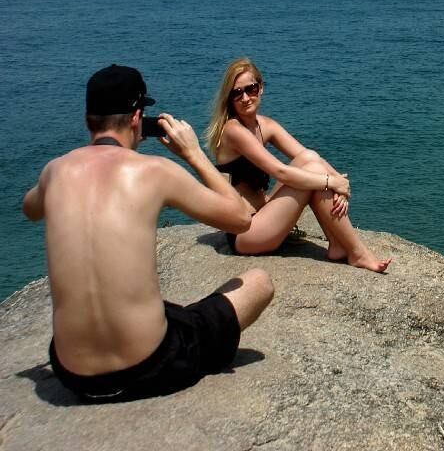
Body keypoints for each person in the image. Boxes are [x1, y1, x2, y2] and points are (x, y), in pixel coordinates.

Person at [22, 64, 274, 403]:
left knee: (159, 307)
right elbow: (242, 218)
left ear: (87, 122)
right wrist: (194, 155)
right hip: (152, 365)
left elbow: (30, 209)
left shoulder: (55, 171)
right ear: (138, 118)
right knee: (259, 282)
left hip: (73, 375)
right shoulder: (155, 171)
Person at [205, 57, 391, 273]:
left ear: (261, 88)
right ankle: (358, 253)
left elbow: (309, 156)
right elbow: (280, 172)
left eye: (251, 89)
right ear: (229, 98)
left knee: (310, 159)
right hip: (245, 233)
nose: (245, 97)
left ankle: (338, 243)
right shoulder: (233, 130)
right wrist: (332, 181)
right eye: (237, 93)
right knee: (313, 171)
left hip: (264, 216)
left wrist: (341, 184)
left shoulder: (266, 125)